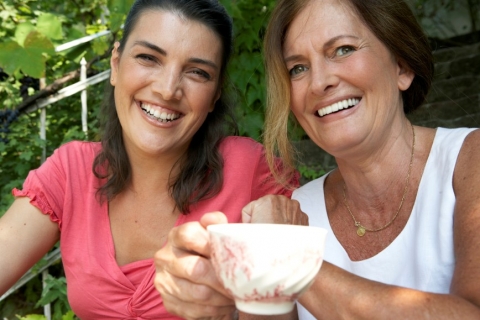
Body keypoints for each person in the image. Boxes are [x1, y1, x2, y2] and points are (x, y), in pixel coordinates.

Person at [153, 0, 480, 318]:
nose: (320, 82)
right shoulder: (298, 210)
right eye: (298, 68)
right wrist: (225, 289)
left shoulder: (469, 159)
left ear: (402, 66)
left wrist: (285, 258)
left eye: (343, 49)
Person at [0, 0, 298, 318]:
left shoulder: (254, 171)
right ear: (115, 64)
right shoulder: (71, 170)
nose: (168, 90)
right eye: (148, 58)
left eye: (197, 72)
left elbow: (284, 305)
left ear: (215, 95)